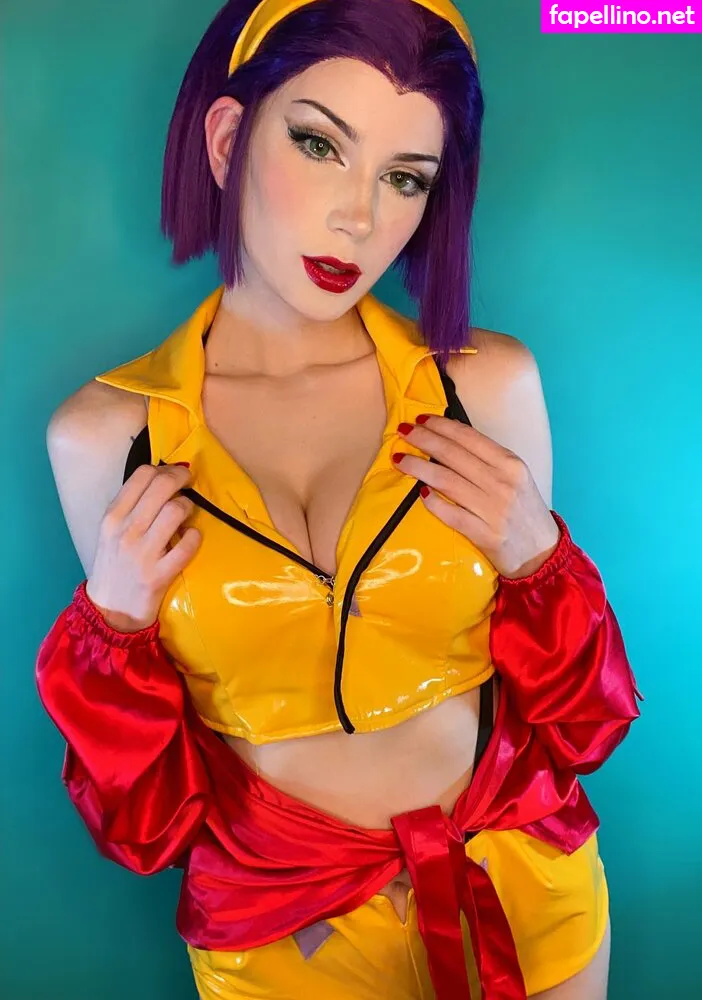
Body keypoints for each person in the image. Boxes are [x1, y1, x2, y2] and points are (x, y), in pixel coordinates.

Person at [36, 1, 642, 997]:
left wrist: (540, 557)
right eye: (319, 144)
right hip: (281, 934)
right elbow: (140, 812)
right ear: (227, 138)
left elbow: (582, 720)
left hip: (523, 887)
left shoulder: (486, 387)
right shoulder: (105, 438)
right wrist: (113, 628)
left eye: (405, 177)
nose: (360, 217)